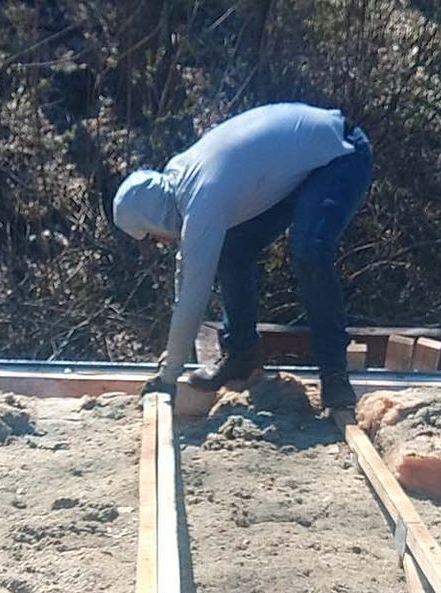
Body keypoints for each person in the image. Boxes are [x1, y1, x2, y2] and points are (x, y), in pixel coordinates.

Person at [112, 102, 373, 413]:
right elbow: (187, 274)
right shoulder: (181, 180)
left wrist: (169, 378)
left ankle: (334, 373)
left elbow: (193, 296)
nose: (162, 243)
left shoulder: (202, 198)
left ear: (154, 221)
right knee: (233, 249)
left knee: (310, 249)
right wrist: (172, 362)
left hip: (340, 154)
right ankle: (242, 354)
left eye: (153, 238)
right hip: (302, 159)